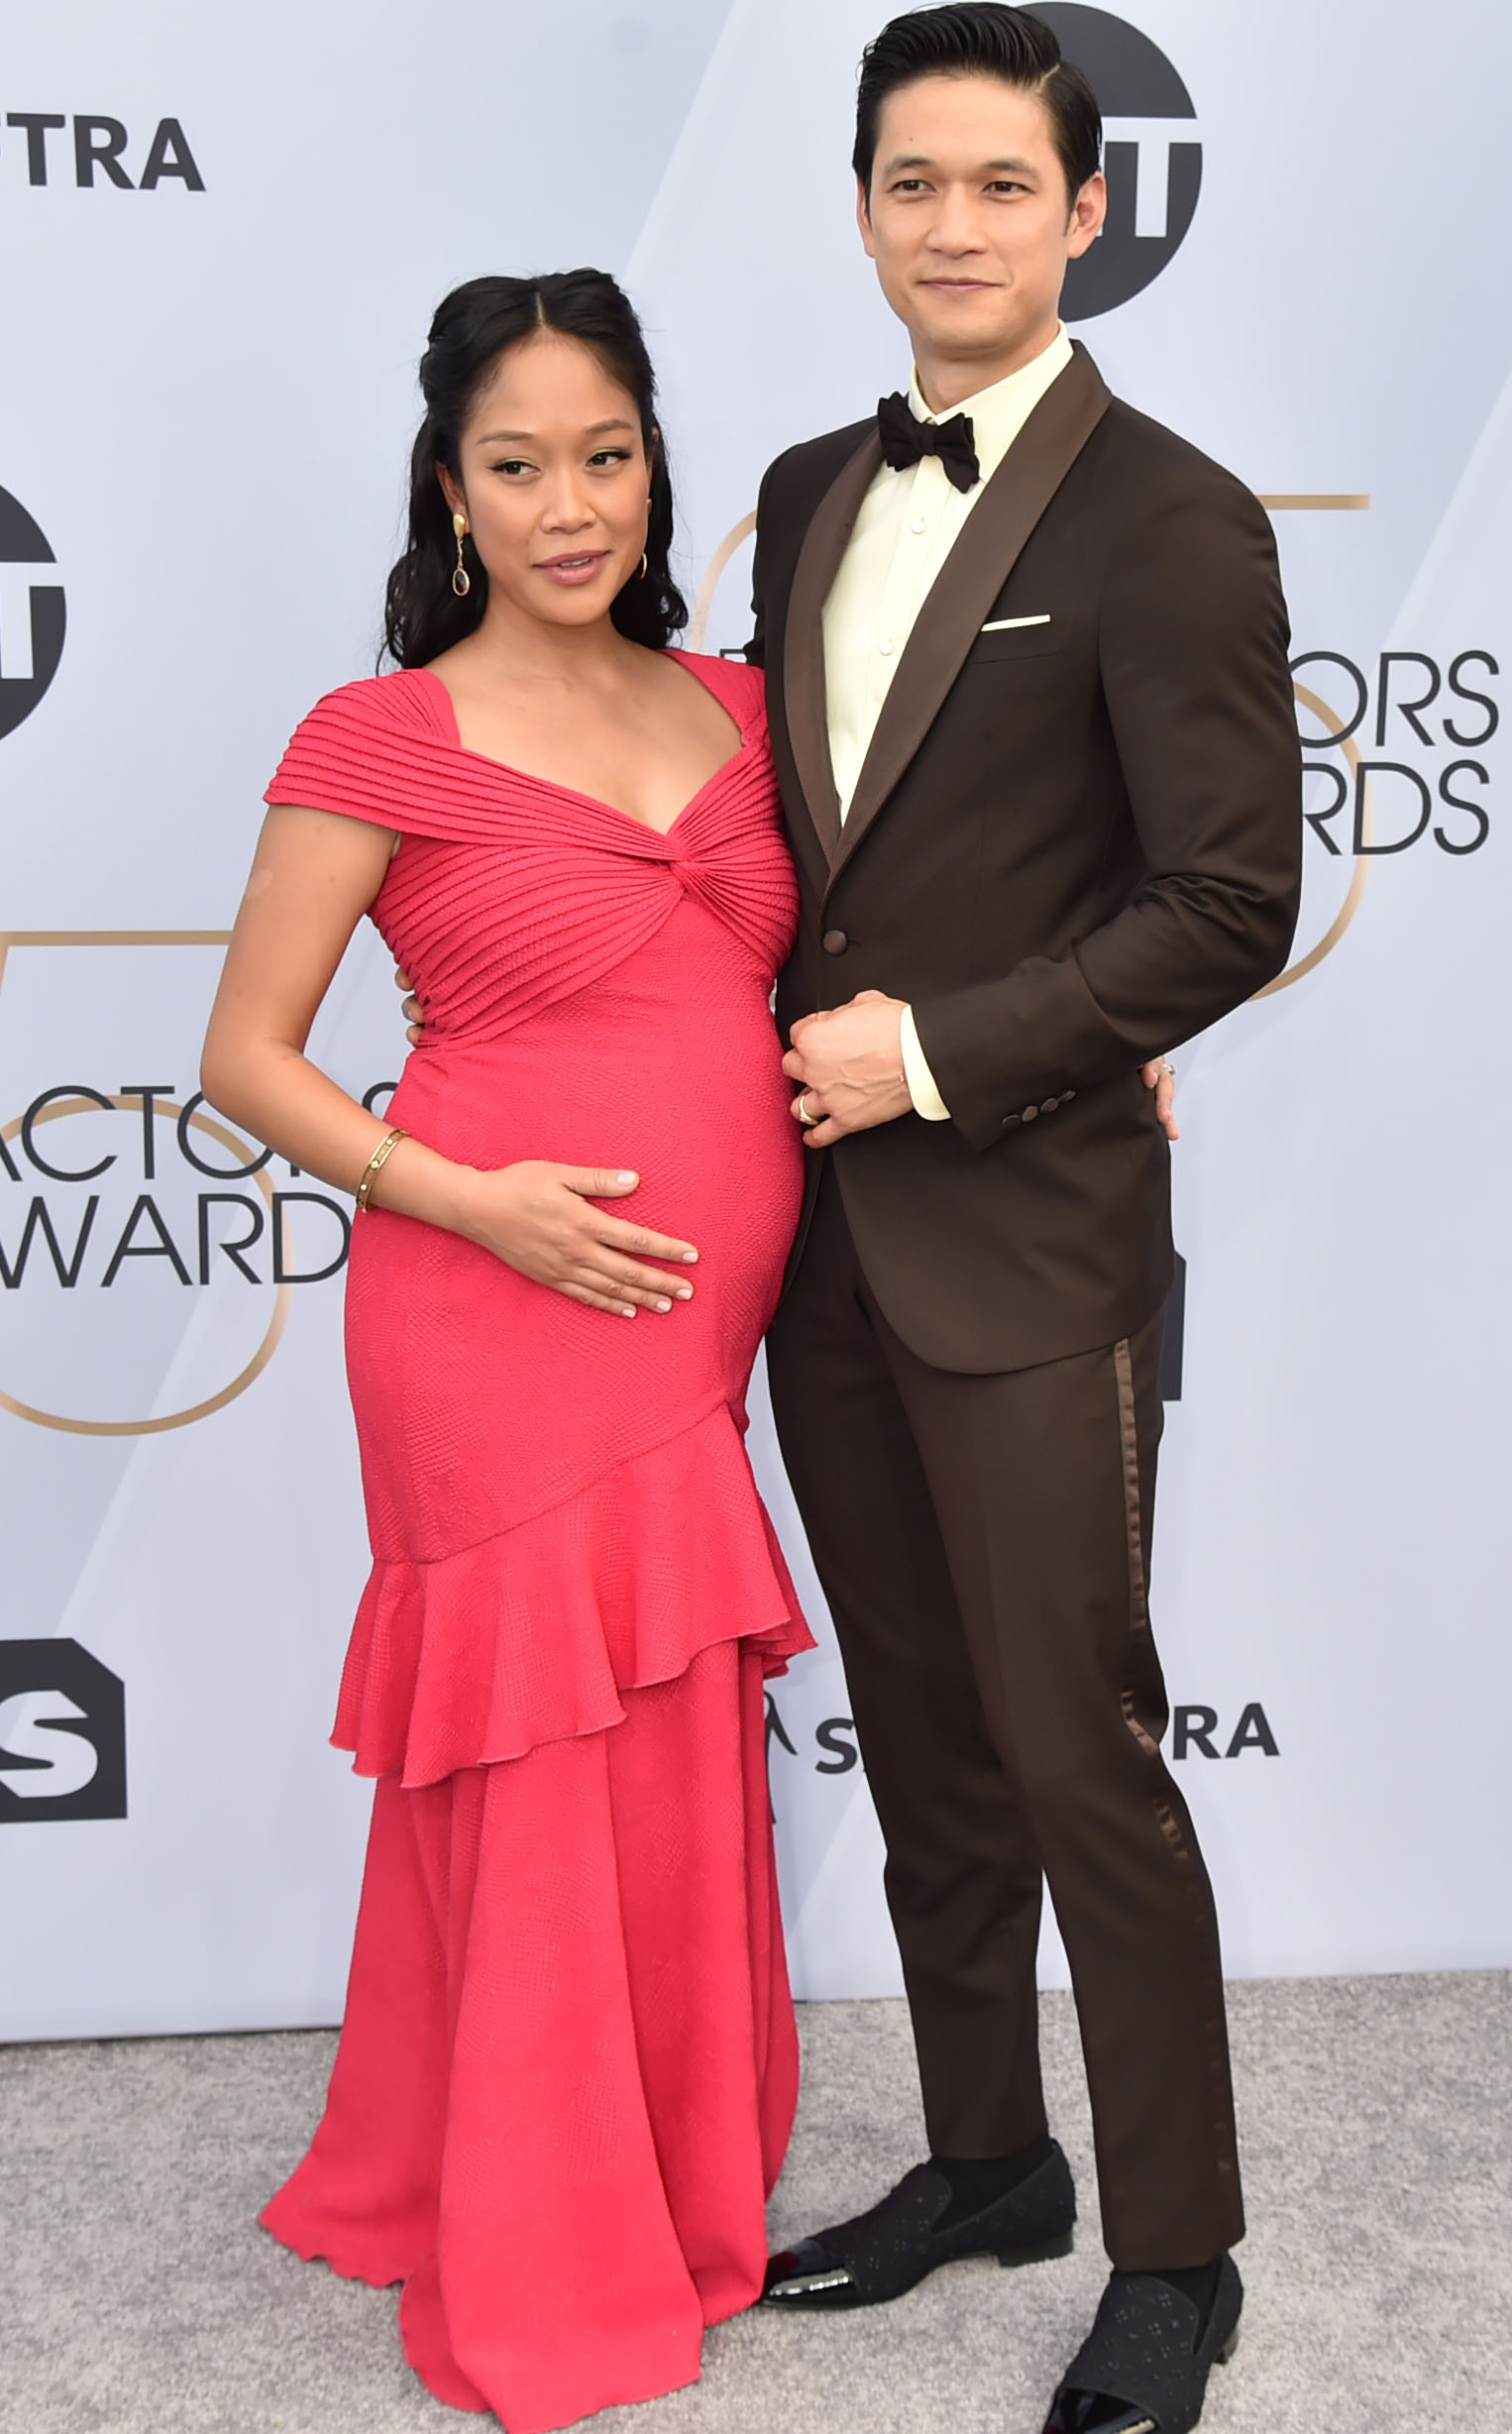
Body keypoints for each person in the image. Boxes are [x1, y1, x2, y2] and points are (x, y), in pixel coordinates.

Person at [745, 11, 1304, 2434]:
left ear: (1088, 212)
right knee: (931, 1745)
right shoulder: (791, 489)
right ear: (863, 207)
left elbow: (1227, 898)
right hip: (821, 1249)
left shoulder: (1174, 515)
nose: (951, 225)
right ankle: (987, 2158)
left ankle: (1181, 2251)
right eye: (910, 182)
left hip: (1032, 1226)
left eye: (1000, 184)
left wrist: (947, 1051)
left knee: (1081, 1750)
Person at [199, 270, 817, 2432]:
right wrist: (478, 1205)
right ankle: (550, 2251)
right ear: (451, 492)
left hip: (690, 1348)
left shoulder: (743, 707)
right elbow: (244, 1061)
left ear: (656, 462)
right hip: (486, 1311)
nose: (571, 504)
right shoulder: (379, 734)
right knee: (552, 1759)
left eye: (607, 453)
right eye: (518, 463)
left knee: (655, 1749)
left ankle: (648, 2177)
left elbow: (892, 948)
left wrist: (1104, 1061)